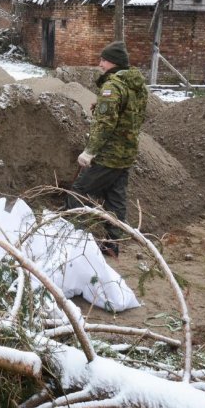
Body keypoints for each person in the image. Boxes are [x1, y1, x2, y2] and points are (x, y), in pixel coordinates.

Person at [66, 41, 148, 258]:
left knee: (78, 192)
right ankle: (112, 246)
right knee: (115, 200)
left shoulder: (112, 87)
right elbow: (131, 116)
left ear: (113, 62)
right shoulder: (136, 86)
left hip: (108, 155)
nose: (99, 63)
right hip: (126, 154)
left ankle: (74, 242)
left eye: (103, 59)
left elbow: (105, 124)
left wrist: (90, 152)